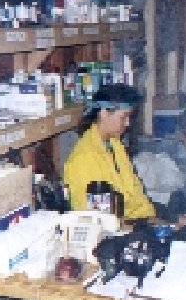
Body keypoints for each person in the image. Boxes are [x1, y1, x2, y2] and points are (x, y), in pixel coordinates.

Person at [64, 83, 156, 220]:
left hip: (137, 219)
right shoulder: (83, 159)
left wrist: (151, 218)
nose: (127, 123)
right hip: (116, 227)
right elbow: (94, 218)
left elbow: (136, 192)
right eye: (123, 117)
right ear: (104, 113)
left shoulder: (115, 145)